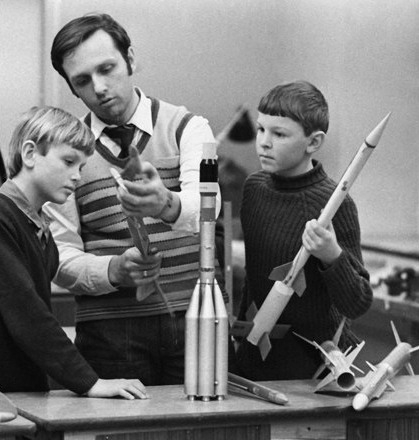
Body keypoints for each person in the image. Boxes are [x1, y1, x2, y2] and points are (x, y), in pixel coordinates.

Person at [46, 13, 221, 385]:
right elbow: (59, 255)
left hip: (195, 318)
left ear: (130, 59)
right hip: (108, 334)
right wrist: (113, 270)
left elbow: (207, 208)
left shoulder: (188, 129)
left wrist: (165, 204)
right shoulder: (65, 153)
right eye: (82, 81)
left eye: (107, 68)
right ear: (72, 89)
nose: (99, 87)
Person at [0, 106, 147, 400]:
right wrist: (89, 382)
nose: (77, 177)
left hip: (17, 390)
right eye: (68, 161)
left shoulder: (38, 226)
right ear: (29, 154)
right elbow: (26, 312)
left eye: (81, 167)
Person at [234, 80, 373, 381]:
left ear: (313, 142)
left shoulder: (334, 203)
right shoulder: (254, 189)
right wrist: (239, 341)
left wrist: (332, 256)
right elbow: (255, 278)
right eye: (261, 129)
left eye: (279, 134)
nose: (264, 142)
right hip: (255, 362)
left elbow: (358, 302)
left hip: (314, 372)